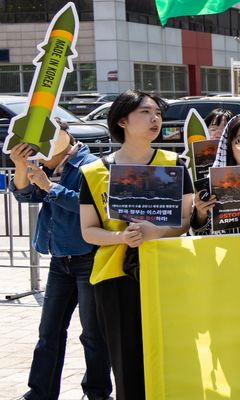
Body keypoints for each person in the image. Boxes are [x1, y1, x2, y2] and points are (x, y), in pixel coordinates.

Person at [78, 90, 195, 399]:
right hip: (115, 276)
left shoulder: (174, 164)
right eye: (145, 112)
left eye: (157, 112)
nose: (154, 118)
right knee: (126, 358)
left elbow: (185, 220)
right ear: (122, 121)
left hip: (165, 272)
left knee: (170, 353)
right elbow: (88, 231)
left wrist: (157, 231)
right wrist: (120, 237)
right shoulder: (93, 172)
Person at [11, 122, 112, 400]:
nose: (38, 158)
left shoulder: (91, 165)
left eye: (42, 152)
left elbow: (94, 206)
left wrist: (50, 188)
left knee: (93, 334)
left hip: (89, 257)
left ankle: (97, 393)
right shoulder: (48, 167)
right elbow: (25, 195)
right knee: (49, 331)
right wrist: (20, 166)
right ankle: (40, 392)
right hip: (60, 260)